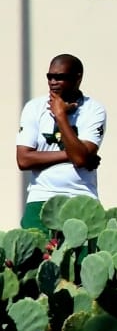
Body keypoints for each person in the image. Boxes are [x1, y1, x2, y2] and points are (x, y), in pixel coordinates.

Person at [16, 54, 105, 232]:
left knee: (82, 250)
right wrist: (72, 154)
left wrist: (60, 115)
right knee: (37, 249)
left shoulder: (93, 110)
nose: (53, 82)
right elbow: (24, 160)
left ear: (78, 78)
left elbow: (80, 159)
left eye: (60, 77)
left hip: (81, 196)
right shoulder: (34, 108)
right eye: (50, 76)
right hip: (41, 198)